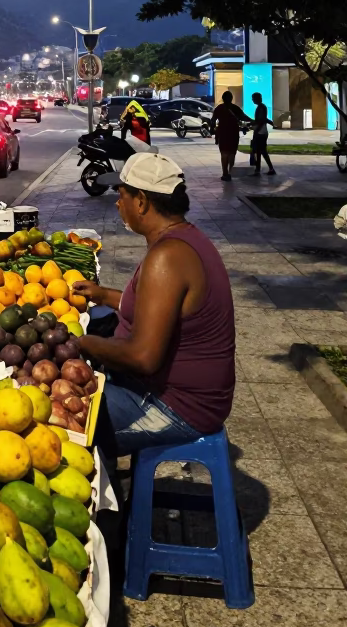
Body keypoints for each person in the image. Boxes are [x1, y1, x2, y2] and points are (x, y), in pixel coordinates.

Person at [74, 153, 236, 457]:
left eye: (121, 195)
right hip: (180, 393)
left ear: (142, 202)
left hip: (179, 407)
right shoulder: (183, 239)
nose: (118, 204)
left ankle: (110, 502)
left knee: (59, 427)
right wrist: (103, 294)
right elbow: (156, 308)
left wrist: (83, 344)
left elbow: (143, 357)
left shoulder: (168, 257)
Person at [210, 90, 245, 182]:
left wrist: (212, 129)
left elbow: (213, 120)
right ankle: (229, 172)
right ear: (231, 98)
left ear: (222, 99)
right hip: (233, 133)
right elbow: (243, 117)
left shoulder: (219, 108)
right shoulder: (235, 108)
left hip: (223, 133)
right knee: (232, 153)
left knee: (224, 153)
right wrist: (254, 120)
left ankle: (225, 173)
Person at [250, 92, 276, 175]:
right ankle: (258, 169)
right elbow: (264, 119)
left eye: (253, 98)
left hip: (260, 132)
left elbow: (261, 121)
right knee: (259, 151)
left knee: (262, 151)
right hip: (262, 131)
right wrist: (271, 122)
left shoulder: (261, 107)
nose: (252, 100)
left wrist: (256, 129)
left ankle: (270, 169)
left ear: (258, 98)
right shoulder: (261, 107)